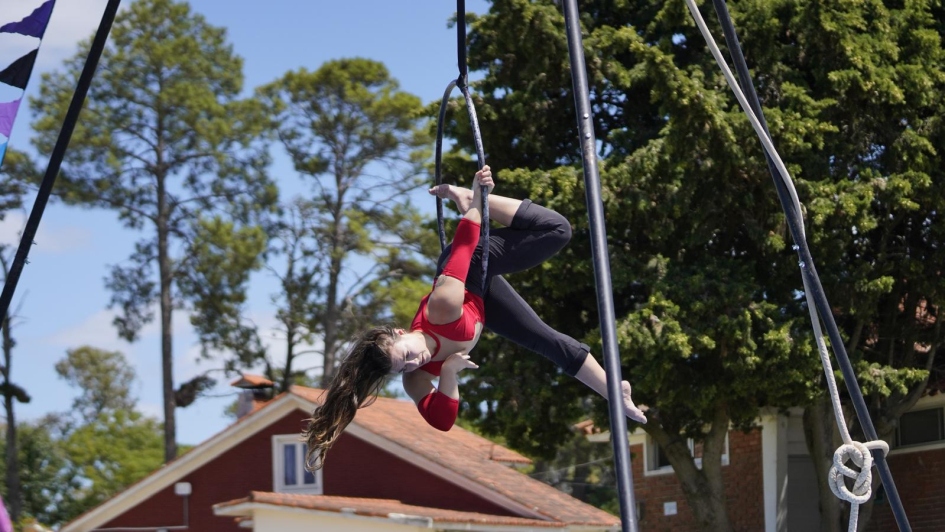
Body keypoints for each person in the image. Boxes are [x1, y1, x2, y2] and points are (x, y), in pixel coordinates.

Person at [304, 166, 645, 470]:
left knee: (557, 230)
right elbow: (441, 421)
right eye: (404, 367)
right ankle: (615, 390)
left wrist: (477, 201)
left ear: (401, 332)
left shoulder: (442, 305)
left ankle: (468, 195)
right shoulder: (416, 378)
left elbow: (467, 242)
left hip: (465, 269)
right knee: (544, 340)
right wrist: (448, 375)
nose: (415, 363)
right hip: (480, 305)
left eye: (406, 355)